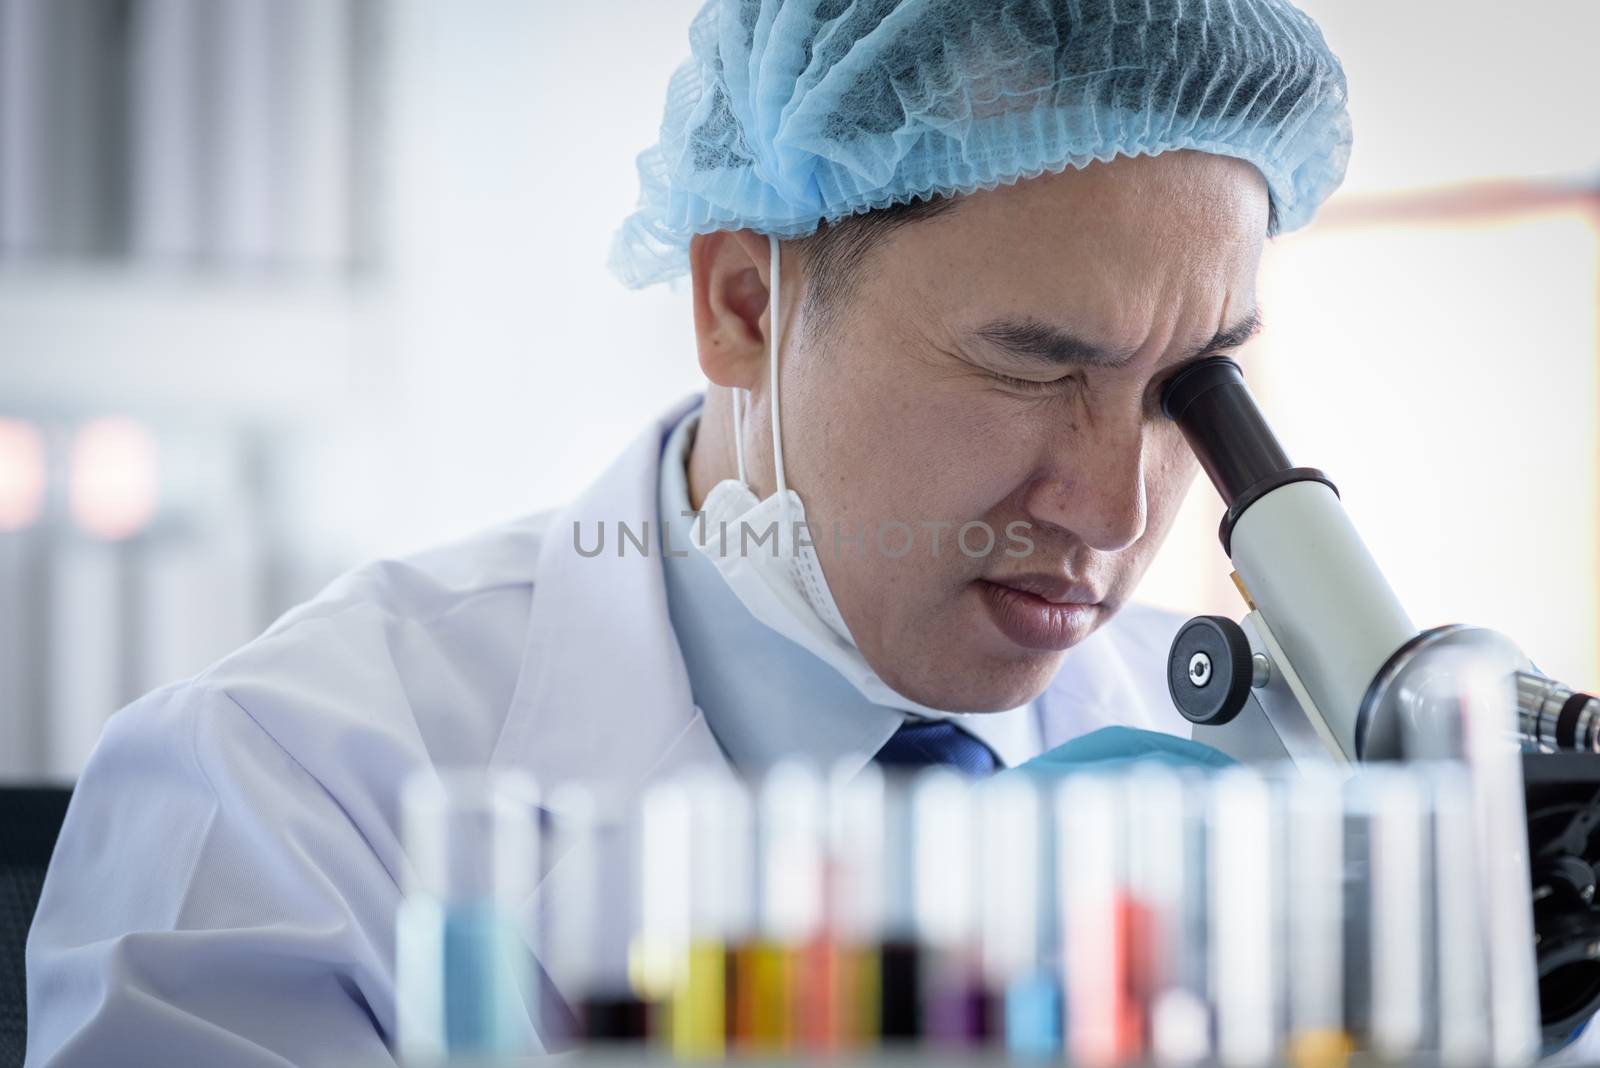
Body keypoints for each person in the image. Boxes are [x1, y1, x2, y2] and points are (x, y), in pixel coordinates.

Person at [27, 0, 1354, 1062]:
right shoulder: (283, 789)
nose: (1117, 512)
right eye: (1032, 367)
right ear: (742, 305)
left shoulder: (1252, 771)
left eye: (1191, 393)